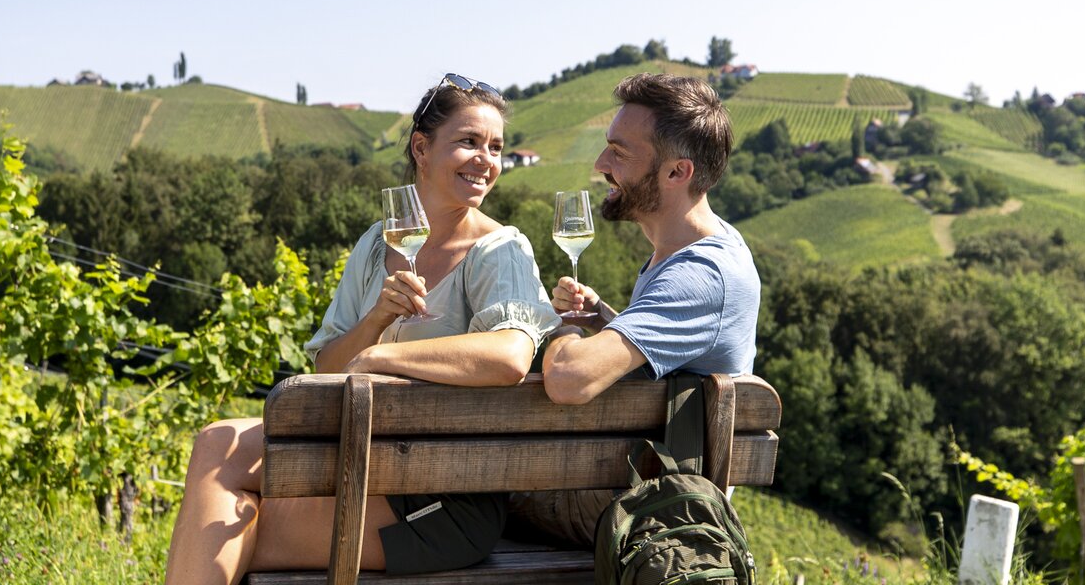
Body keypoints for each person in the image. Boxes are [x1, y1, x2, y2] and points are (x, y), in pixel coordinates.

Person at [165, 74, 560, 585]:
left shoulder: (499, 248)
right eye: (469, 142)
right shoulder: (378, 243)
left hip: (440, 502)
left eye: (496, 147)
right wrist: (376, 320)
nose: (486, 160)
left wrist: (382, 358)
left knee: (219, 532)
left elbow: (509, 356)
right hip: (363, 463)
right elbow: (329, 367)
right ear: (421, 147)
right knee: (217, 442)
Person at [512, 72, 761, 548]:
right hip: (642, 492)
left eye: (620, 152)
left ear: (676, 172)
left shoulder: (701, 275)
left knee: (456, 492)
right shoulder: (701, 247)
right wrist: (603, 317)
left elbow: (569, 380)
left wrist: (561, 324)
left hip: (634, 513)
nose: (601, 163)